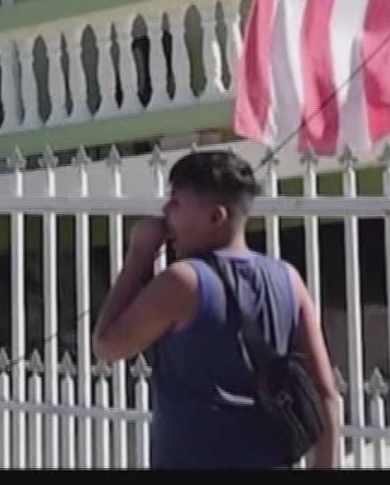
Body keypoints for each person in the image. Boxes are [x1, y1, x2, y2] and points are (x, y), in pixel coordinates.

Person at [91, 149, 344, 469]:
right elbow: (327, 394)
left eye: (176, 202)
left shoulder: (184, 282)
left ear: (215, 217)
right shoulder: (289, 279)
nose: (166, 212)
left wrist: (139, 254)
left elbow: (107, 345)